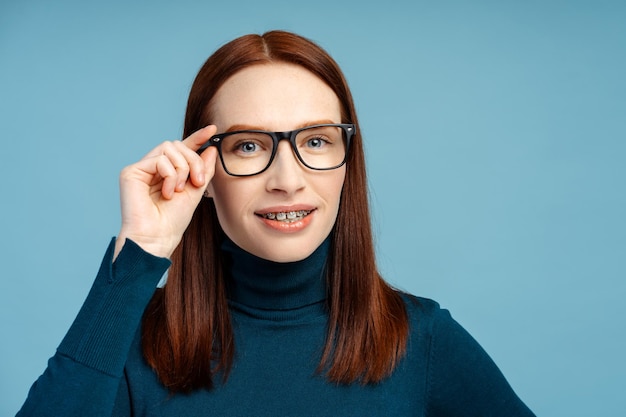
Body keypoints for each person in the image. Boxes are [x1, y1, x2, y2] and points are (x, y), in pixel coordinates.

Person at [17, 30, 535, 416]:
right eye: (248, 146)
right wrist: (139, 254)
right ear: (203, 168)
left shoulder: (423, 341)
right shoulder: (128, 343)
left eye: (315, 141)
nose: (287, 179)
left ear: (347, 163)